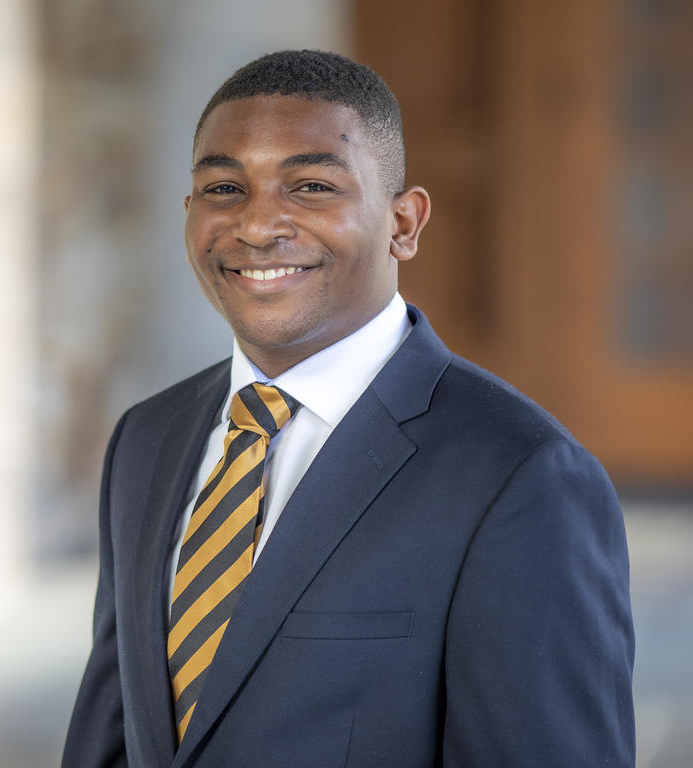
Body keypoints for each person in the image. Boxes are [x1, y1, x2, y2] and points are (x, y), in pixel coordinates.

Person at [62, 49, 634, 768]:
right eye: (224, 188)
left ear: (404, 222)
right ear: (189, 215)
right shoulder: (148, 438)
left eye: (310, 186)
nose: (259, 225)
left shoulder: (520, 478)